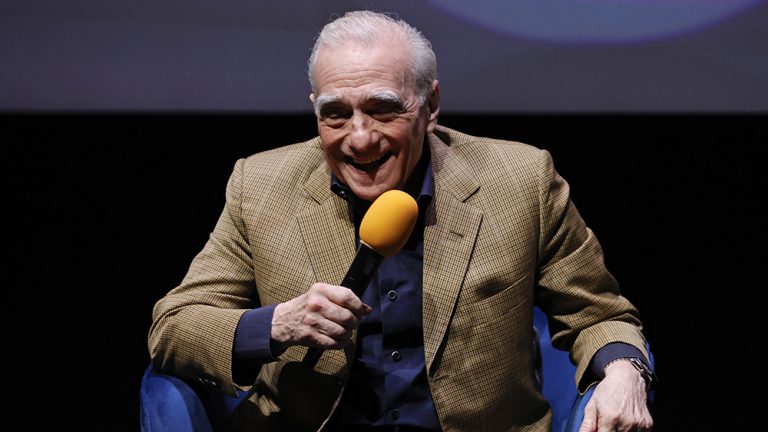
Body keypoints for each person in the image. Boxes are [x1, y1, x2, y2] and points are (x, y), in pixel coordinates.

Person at [148, 10, 655, 432]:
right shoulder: (260, 186)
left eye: (383, 109)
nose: (360, 138)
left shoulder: (519, 180)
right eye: (336, 114)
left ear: (430, 105)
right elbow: (174, 326)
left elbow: (599, 314)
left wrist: (623, 370)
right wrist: (275, 324)